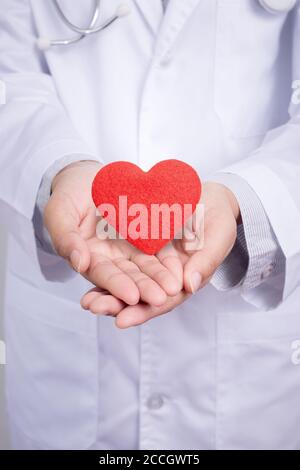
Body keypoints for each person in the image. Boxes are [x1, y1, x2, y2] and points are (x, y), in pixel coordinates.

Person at [0, 0, 300, 450]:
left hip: (250, 378)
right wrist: (59, 170)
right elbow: (9, 83)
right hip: (64, 362)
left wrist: (246, 201)